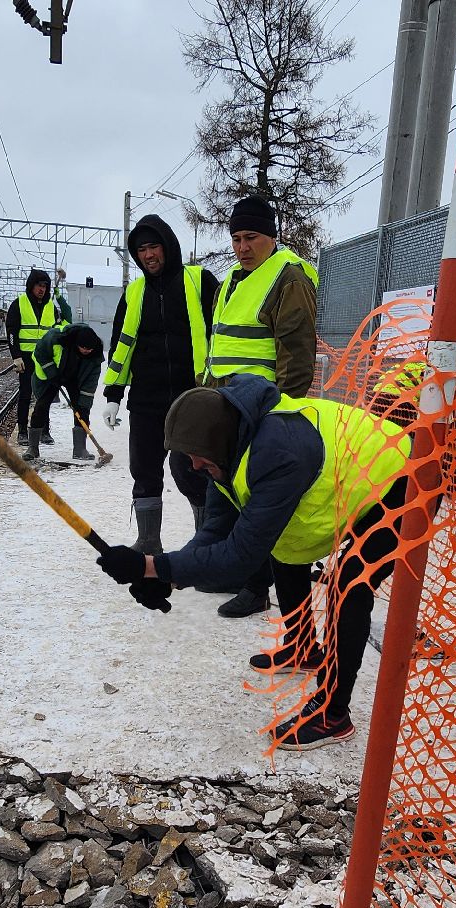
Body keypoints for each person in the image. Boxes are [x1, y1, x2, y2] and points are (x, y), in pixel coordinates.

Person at [93, 375, 412, 751]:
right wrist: (168, 577)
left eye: (197, 455)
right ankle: (303, 648)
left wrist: (150, 567)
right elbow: (214, 531)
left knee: (350, 582)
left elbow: (240, 559)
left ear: (216, 441)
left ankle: (333, 714)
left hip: (402, 479)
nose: (194, 465)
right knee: (287, 550)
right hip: (358, 476)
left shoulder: (277, 451)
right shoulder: (228, 444)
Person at [202, 194, 322, 620]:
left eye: (251, 237)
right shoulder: (233, 278)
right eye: (235, 238)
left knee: (253, 503)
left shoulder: (287, 278)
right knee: (224, 494)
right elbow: (220, 348)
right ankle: (234, 571)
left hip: (260, 414)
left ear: (271, 236)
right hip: (226, 410)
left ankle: (255, 587)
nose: (242, 246)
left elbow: (297, 355)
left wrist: (281, 417)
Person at [102, 214, 220, 553]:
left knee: (193, 470)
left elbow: (223, 334)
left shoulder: (200, 281)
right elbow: (121, 346)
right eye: (141, 249)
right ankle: (148, 540)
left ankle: (206, 539)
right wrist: (113, 394)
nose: (149, 254)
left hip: (192, 398)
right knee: (144, 470)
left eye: (154, 246)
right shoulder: (134, 293)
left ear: (167, 246)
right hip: (146, 400)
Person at [5, 269, 73, 441]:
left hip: (43, 357)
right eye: (38, 285)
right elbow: (12, 332)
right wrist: (16, 356)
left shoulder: (51, 306)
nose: (41, 289)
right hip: (26, 357)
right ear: (31, 285)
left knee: (45, 395)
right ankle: (22, 431)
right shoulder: (19, 304)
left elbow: (61, 326)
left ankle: (44, 430)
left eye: (45, 286)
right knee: (26, 393)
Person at [26, 323, 105, 462]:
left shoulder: (95, 355)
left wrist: (84, 404)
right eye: (84, 348)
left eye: (89, 349)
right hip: (53, 374)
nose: (87, 351)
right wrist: (51, 372)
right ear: (76, 344)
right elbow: (40, 352)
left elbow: (90, 382)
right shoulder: (56, 337)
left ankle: (80, 449)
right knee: (41, 407)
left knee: (82, 410)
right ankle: (32, 448)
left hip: (74, 379)